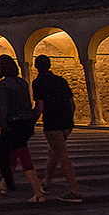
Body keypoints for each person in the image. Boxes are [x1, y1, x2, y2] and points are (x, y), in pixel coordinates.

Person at [0, 54, 45, 202]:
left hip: (13, 124)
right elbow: (27, 104)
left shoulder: (3, 85)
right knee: (12, 154)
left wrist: (1, 126)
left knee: (23, 156)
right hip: (26, 123)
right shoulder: (22, 83)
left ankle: (38, 193)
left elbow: (4, 108)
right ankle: (4, 184)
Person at [31, 54, 83, 202]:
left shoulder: (38, 82)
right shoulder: (61, 80)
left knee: (61, 155)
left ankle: (74, 191)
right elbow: (72, 104)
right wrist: (69, 119)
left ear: (36, 66)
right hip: (67, 122)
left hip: (52, 123)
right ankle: (46, 183)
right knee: (54, 151)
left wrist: (31, 123)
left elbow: (40, 106)